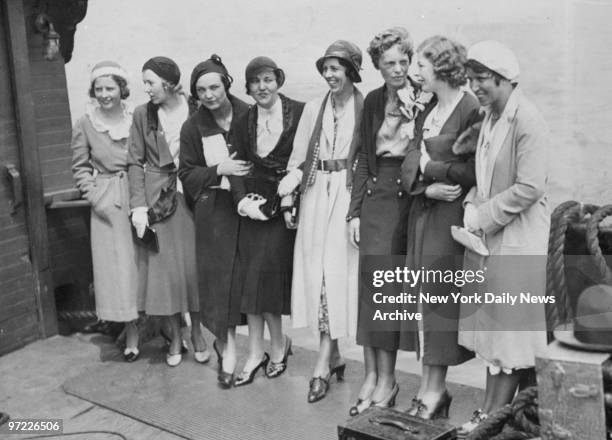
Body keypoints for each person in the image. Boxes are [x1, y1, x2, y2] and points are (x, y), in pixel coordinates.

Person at [456, 40, 549, 435]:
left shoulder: (528, 119)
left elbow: (529, 187)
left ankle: (491, 416)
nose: (475, 86)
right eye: (472, 79)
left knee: (508, 337)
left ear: (503, 78)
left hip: (519, 239)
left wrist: (484, 216)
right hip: (492, 238)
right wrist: (471, 203)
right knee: (493, 334)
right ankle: (490, 410)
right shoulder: (491, 116)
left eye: (481, 79)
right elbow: (486, 177)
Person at [397, 36, 481, 419]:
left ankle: (435, 390)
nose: (415, 73)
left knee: (438, 302)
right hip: (423, 211)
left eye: (422, 67)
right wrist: (425, 181)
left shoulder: (469, 108)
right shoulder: (427, 107)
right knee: (420, 299)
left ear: (443, 68)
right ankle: (430, 388)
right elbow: (409, 156)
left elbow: (473, 169)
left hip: (449, 220)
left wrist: (432, 170)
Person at [278, 40, 363, 403]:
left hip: (347, 194)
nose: (329, 74)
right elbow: (299, 158)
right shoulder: (314, 108)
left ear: (351, 71)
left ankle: (322, 364)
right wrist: (287, 192)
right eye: (325, 68)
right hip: (315, 194)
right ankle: (335, 355)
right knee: (318, 277)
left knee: (337, 278)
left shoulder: (366, 107)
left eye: (336, 68)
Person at [346, 27, 418, 415]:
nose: (398, 68)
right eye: (389, 62)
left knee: (387, 292)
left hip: (402, 199)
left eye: (404, 61)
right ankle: (371, 375)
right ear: (377, 65)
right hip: (374, 198)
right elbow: (361, 161)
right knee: (368, 291)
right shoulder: (373, 101)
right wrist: (353, 212)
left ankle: (388, 380)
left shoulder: (420, 99)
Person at [228, 57, 305, 387]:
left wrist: (297, 177)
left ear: (278, 80)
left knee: (268, 281)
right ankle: (258, 351)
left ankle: (276, 347)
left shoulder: (300, 112)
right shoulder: (243, 118)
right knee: (251, 281)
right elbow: (236, 166)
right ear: (248, 87)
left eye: (268, 79)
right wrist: (242, 202)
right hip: (253, 206)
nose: (262, 87)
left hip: (284, 204)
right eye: (255, 81)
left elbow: (311, 153)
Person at [128, 56, 208, 367]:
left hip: (191, 197)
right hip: (157, 201)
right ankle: (175, 335)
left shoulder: (196, 109)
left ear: (170, 83)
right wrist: (137, 205)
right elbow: (134, 160)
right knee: (165, 273)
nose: (146, 88)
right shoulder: (142, 114)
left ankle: (199, 333)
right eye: (144, 82)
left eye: (151, 82)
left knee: (193, 269)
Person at [178, 55, 251, 388]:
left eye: (214, 87)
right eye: (201, 90)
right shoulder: (193, 126)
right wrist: (218, 170)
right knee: (221, 285)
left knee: (253, 281)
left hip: (252, 210)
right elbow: (187, 173)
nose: (209, 95)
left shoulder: (249, 114)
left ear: (226, 84)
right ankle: (229, 347)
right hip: (216, 213)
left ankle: (266, 346)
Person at [71, 61, 142, 362]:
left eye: (109, 88)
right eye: (98, 89)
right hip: (107, 200)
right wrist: (96, 197)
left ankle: (155, 323)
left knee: (144, 263)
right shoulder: (86, 123)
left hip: (138, 194)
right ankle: (131, 331)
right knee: (118, 269)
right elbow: (80, 166)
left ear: (121, 89)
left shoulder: (135, 118)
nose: (104, 94)